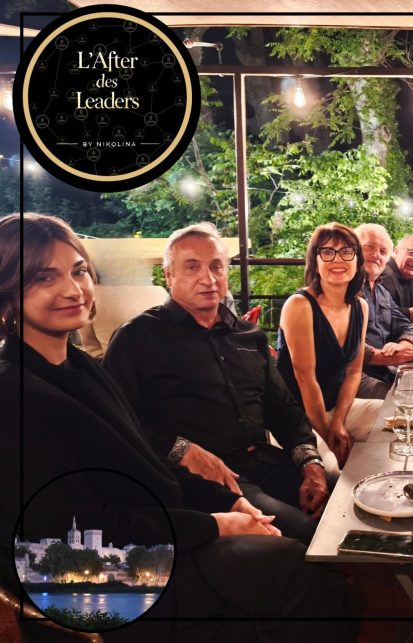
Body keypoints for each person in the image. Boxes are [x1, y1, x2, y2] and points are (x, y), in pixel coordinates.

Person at [0, 213, 358, 643]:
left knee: (318, 565)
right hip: (101, 578)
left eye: (78, 271)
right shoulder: (17, 391)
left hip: (158, 528)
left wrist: (230, 504)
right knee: (302, 575)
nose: (72, 289)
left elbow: (144, 465)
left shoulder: (79, 368)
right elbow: (77, 533)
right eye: (43, 277)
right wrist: (217, 523)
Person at [103, 223, 327, 546]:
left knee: (342, 501)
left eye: (216, 267)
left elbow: (283, 409)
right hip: (205, 481)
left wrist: (311, 464)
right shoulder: (136, 338)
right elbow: (118, 426)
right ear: (168, 275)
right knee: (313, 535)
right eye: (192, 267)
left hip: (263, 460)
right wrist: (181, 449)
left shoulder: (248, 335)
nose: (207, 279)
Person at [277, 223, 382, 471]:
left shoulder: (360, 307)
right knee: (333, 468)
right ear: (315, 261)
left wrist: (338, 422)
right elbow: (306, 380)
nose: (338, 260)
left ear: (357, 260)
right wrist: (329, 435)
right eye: (327, 252)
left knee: (401, 424)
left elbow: (354, 372)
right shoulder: (299, 305)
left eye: (347, 252)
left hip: (337, 408)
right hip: (296, 414)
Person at [353, 223, 413, 400]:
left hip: (382, 370)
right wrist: (386, 357)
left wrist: (405, 345)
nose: (376, 255)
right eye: (369, 247)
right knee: (405, 401)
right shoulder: (345, 289)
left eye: (383, 251)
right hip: (353, 373)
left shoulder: (382, 291)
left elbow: (407, 326)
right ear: (353, 249)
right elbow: (343, 345)